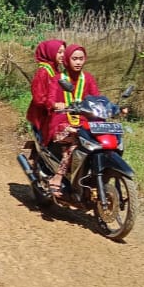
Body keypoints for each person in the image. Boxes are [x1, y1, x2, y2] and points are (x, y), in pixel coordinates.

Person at [42, 43, 99, 198]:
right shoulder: (58, 79)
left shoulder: (88, 78)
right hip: (61, 120)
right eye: (74, 59)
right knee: (77, 137)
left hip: (82, 119)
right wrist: (57, 104)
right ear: (67, 60)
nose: (78, 62)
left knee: (101, 136)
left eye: (81, 59)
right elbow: (50, 99)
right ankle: (58, 176)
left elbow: (96, 97)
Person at [26, 38, 66, 150]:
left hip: (54, 112)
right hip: (42, 115)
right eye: (59, 52)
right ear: (51, 52)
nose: (63, 55)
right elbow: (38, 97)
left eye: (64, 52)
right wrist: (53, 104)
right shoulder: (43, 72)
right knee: (46, 146)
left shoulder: (55, 69)